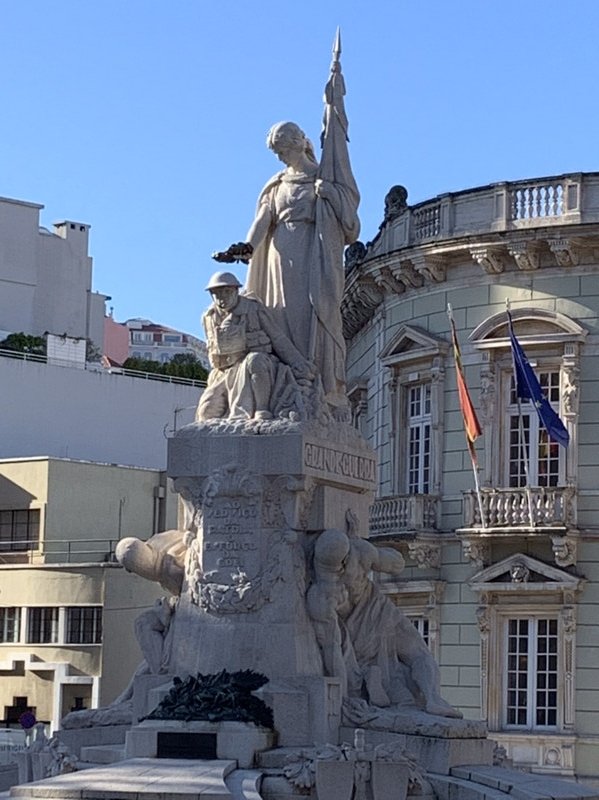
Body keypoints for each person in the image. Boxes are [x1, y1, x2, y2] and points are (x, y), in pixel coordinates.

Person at [213, 41, 360, 412]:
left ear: (297, 144)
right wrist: (244, 248)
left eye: (282, 150)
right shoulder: (276, 185)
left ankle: (311, 388)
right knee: (275, 315)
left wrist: (329, 196)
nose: (279, 157)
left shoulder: (323, 181)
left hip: (313, 260)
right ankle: (283, 384)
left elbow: (349, 221)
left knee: (308, 318)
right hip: (277, 261)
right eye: (276, 153)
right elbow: (262, 223)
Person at [307, 527, 462, 718]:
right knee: (419, 653)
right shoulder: (360, 554)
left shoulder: (320, 595)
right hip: (376, 615)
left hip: (371, 621)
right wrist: (375, 556)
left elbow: (333, 650)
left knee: (414, 657)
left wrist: (344, 694)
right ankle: (432, 699)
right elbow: (397, 564)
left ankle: (422, 696)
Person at [197, 271, 313, 422]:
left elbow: (277, 337)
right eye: (217, 293)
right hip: (224, 372)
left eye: (227, 292)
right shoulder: (208, 318)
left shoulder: (253, 309)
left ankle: (261, 408)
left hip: (255, 364)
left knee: (255, 360)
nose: (222, 298)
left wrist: (298, 362)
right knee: (206, 412)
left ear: (236, 291)